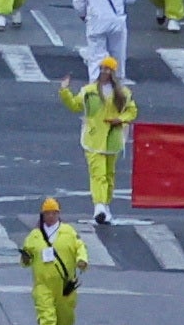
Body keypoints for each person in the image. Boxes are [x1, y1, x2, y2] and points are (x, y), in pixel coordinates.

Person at [59, 58, 138, 222]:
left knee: (109, 175)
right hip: (93, 139)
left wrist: (121, 119)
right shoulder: (88, 91)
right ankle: (99, 206)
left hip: (113, 139)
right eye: (102, 69)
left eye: (108, 69)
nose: (104, 72)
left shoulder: (123, 93)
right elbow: (75, 105)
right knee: (98, 174)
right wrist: (65, 91)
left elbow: (132, 111)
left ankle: (105, 207)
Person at [20, 196, 87, 325]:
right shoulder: (34, 236)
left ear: (58, 214)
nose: (50, 216)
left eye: (53, 213)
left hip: (65, 284)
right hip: (43, 283)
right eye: (47, 213)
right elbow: (26, 256)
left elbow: (80, 247)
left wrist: (82, 260)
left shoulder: (69, 232)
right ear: (42, 215)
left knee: (65, 315)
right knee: (46, 313)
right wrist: (26, 258)